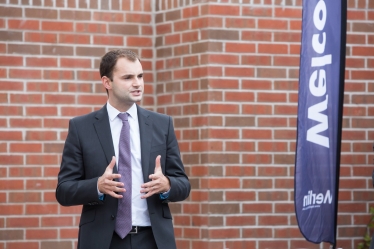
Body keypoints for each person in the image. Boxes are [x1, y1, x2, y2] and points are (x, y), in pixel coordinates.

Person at [56, 49, 191, 249]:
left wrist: (167, 185)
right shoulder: (81, 128)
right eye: (128, 77)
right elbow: (64, 191)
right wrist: (97, 186)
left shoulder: (162, 125)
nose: (137, 83)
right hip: (103, 241)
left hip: (152, 240)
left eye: (140, 76)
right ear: (107, 82)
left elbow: (184, 185)